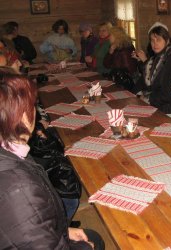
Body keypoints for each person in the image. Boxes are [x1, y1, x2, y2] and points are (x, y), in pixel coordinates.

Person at [0, 68, 105, 249]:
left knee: (93, 235)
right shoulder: (19, 188)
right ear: (23, 117)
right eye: (32, 106)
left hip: (43, 233)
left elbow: (34, 227)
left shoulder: (12, 154)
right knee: (95, 240)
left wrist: (63, 231)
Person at [132, 22, 171, 114]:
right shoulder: (155, 58)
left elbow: (170, 91)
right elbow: (144, 81)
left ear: (167, 41)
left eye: (158, 40)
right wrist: (133, 94)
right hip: (156, 102)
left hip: (168, 107)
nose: (155, 44)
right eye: (152, 40)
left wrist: (147, 98)